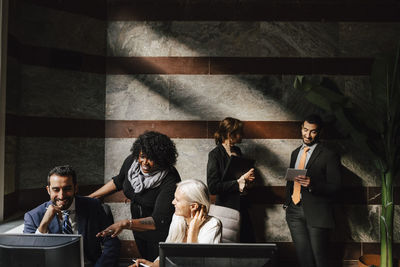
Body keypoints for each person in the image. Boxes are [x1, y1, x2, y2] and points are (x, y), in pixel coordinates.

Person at [89, 131, 181, 261]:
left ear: (162, 159)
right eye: (142, 156)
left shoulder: (170, 178)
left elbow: (159, 220)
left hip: (159, 232)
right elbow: (119, 181)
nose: (145, 162)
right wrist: (90, 197)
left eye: (151, 158)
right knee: (144, 259)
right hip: (137, 227)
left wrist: (125, 224)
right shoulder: (131, 163)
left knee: (154, 262)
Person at [23, 165, 120, 267]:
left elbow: (112, 243)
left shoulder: (93, 206)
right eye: (56, 190)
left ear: (75, 188)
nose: (61, 196)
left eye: (67, 189)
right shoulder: (33, 216)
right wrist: (44, 224)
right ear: (48, 190)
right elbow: (29, 255)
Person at [284, 114, 341, 267]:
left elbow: (336, 187)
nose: (307, 135)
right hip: (294, 211)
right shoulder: (295, 153)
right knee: (304, 259)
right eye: (305, 129)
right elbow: (291, 182)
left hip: (317, 214)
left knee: (320, 260)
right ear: (301, 128)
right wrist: (287, 204)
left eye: (313, 131)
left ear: (319, 133)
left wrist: (312, 185)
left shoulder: (329, 155)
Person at [131, 179, 222, 267]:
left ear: (193, 206)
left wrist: (193, 231)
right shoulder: (178, 218)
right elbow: (168, 250)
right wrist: (154, 265)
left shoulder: (213, 225)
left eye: (177, 200)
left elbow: (195, 263)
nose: (172, 202)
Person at [206, 117, 256, 242]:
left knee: (247, 244)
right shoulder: (215, 155)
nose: (243, 135)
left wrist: (248, 181)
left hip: (242, 205)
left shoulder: (238, 151)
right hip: (226, 208)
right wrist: (239, 182)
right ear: (230, 134)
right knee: (229, 245)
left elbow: (238, 177)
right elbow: (213, 187)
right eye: (240, 132)